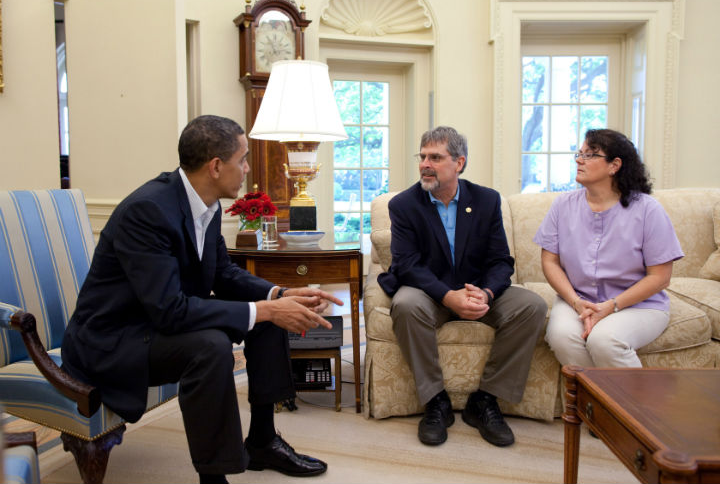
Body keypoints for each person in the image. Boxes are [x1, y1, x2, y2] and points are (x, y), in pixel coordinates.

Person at [61, 115, 342, 484]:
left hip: (156, 324)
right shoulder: (147, 211)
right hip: (112, 341)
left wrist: (280, 295)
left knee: (270, 317)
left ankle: (263, 440)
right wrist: (265, 308)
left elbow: (223, 273)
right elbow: (171, 310)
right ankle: (215, 476)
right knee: (210, 344)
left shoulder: (205, 205)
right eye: (242, 160)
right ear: (215, 167)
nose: (246, 169)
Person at [377, 126, 547, 447]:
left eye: (436, 158)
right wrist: (448, 296)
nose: (426, 164)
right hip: (428, 293)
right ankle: (436, 402)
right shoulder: (404, 205)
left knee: (532, 306)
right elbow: (406, 265)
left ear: (459, 163)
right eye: (423, 157)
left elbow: (500, 261)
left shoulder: (485, 200)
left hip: (476, 290)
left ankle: (484, 401)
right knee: (405, 304)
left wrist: (486, 293)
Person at [534, 128, 683, 369]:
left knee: (604, 340)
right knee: (562, 337)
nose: (579, 160)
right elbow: (550, 261)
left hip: (637, 305)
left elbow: (660, 277)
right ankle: (596, 405)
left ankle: (633, 407)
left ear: (614, 165)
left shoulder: (648, 210)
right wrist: (575, 302)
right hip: (577, 300)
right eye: (579, 153)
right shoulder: (563, 205)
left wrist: (612, 306)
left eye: (590, 155)